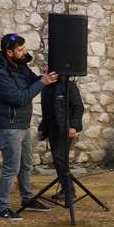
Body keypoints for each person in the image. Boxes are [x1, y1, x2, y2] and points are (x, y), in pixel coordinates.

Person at [0, 33, 58, 220]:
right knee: (11, 167)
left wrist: (46, 75)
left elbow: (35, 82)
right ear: (9, 52)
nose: (24, 52)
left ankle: (27, 199)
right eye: (20, 50)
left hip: (23, 124)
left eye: (24, 48)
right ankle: (1, 208)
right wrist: (42, 83)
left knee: (26, 164)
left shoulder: (20, 66)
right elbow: (19, 98)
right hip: (9, 126)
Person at [38, 74, 84, 202]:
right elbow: (46, 112)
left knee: (60, 158)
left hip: (65, 129)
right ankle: (66, 189)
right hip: (53, 129)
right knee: (58, 159)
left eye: (46, 66)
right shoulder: (46, 88)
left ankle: (69, 190)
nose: (44, 69)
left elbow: (78, 107)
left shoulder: (69, 86)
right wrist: (42, 129)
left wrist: (73, 126)